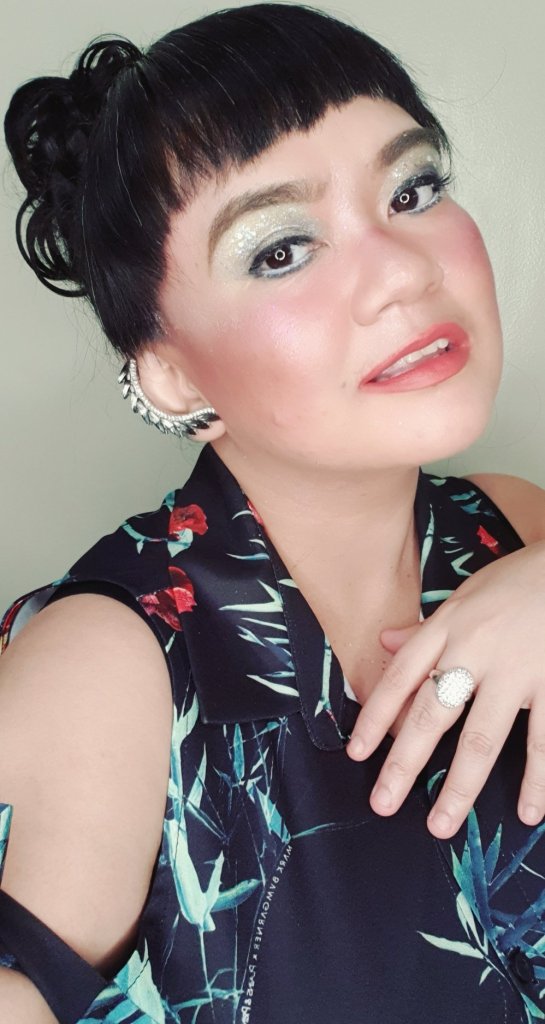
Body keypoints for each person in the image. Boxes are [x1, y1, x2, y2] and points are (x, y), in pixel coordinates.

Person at [2, 4, 545, 1021]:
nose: (405, 268)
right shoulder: (108, 669)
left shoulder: (514, 532)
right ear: (171, 378)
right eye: (280, 250)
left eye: (412, 189)